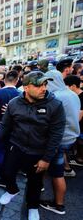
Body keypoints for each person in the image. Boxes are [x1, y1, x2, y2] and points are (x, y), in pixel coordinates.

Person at [0, 71, 66, 220]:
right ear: (27, 87)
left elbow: (56, 135)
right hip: (16, 146)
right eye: (39, 85)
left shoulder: (55, 105)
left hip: (38, 152)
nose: (44, 88)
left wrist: (47, 158)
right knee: (6, 172)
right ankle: (12, 190)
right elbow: (4, 125)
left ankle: (32, 206)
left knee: (35, 183)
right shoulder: (14, 103)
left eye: (45, 84)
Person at [38, 70, 80, 215]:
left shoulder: (56, 97)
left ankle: (58, 205)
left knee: (56, 172)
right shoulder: (73, 94)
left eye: (45, 82)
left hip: (58, 140)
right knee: (57, 170)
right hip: (71, 137)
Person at [64, 75, 83, 166]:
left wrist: (72, 126)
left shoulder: (80, 97)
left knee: (80, 143)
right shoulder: (75, 96)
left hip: (80, 127)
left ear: (73, 86)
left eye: (66, 86)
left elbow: (80, 115)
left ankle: (80, 159)